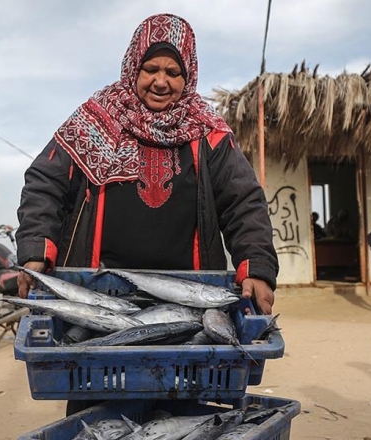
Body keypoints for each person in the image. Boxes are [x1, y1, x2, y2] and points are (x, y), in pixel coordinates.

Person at [14, 13, 278, 315]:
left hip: (189, 300)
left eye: (173, 72)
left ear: (188, 75)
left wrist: (257, 268)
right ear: (133, 68)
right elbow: (45, 184)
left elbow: (243, 203)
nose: (161, 82)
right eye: (150, 69)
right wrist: (36, 249)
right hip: (94, 295)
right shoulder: (94, 121)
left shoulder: (210, 133)